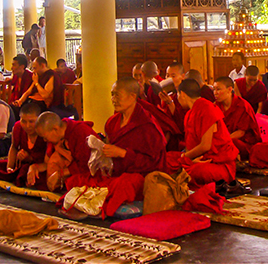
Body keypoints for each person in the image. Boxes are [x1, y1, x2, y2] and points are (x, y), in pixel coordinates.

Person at [65, 77, 167, 218]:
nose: (113, 99)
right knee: (78, 180)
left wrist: (124, 154)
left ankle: (98, 206)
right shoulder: (112, 122)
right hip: (114, 172)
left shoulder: (147, 125)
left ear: (132, 97)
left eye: (117, 95)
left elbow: (155, 163)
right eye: (112, 94)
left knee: (125, 184)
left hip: (139, 175)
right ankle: (93, 203)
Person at [165, 78, 239, 190]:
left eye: (178, 95)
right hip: (199, 160)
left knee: (192, 171)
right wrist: (189, 158)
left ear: (183, 94)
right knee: (167, 159)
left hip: (218, 164)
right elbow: (190, 145)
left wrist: (184, 158)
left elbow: (205, 146)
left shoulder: (207, 108)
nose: (177, 99)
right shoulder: (190, 113)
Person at [0, 102, 47, 189]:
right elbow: (13, 147)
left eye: (31, 121)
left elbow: (48, 160)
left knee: (32, 175)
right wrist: (9, 167)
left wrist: (30, 158)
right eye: (23, 121)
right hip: (20, 165)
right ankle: (18, 178)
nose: (27, 126)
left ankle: (19, 179)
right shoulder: (18, 127)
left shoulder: (45, 131)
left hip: (38, 168)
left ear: (39, 120)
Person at [34, 111, 100, 192]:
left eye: (45, 137)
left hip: (93, 172)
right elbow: (47, 161)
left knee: (73, 183)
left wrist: (60, 174)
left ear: (55, 129)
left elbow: (88, 166)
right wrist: (34, 167)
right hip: (72, 169)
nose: (44, 140)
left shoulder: (81, 132)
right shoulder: (59, 135)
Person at [214, 76, 262, 161]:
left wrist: (222, 141)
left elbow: (241, 133)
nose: (215, 93)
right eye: (214, 89)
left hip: (243, 143)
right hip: (223, 140)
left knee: (231, 143)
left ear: (229, 89)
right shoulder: (216, 105)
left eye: (218, 89)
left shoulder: (242, 106)